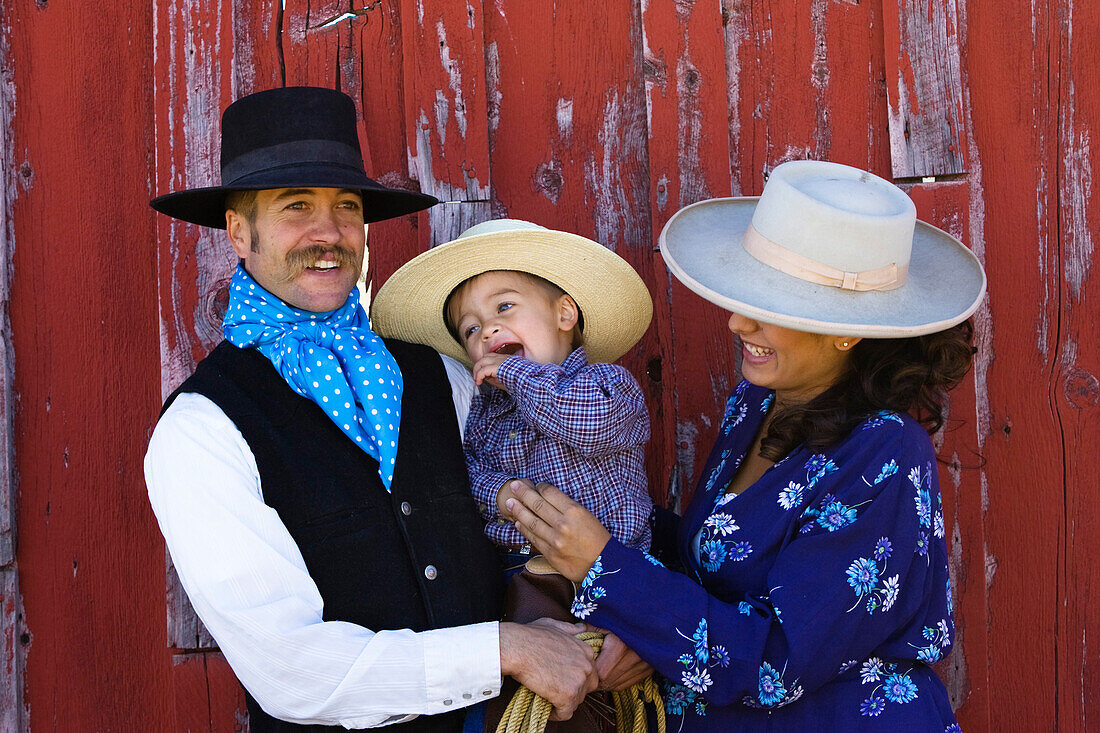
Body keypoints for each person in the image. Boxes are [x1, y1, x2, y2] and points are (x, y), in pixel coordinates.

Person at [143, 86, 600, 732]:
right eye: (296, 206)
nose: (328, 233)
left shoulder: (441, 377)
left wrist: (630, 624)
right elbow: (293, 669)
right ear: (240, 233)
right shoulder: (202, 432)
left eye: (346, 207)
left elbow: (573, 490)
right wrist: (504, 647)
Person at [504, 160, 985, 731]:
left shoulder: (885, 454)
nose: (735, 323)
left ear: (845, 327)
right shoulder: (755, 404)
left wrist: (605, 567)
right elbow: (713, 565)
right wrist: (596, 518)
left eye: (768, 307)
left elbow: (776, 665)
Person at [371, 219, 655, 565]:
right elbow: (466, 473)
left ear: (564, 313)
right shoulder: (487, 412)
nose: (488, 329)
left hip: (610, 571)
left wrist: (514, 371)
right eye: (471, 329)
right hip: (514, 571)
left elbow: (588, 424)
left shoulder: (608, 383)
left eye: (504, 307)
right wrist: (502, 494)